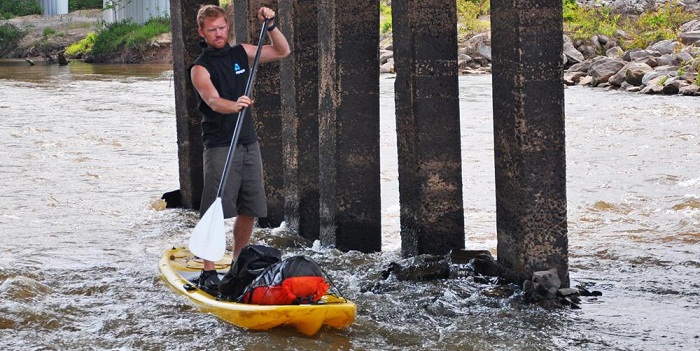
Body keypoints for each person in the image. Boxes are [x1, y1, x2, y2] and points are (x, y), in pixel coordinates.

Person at [189, 4, 290, 292]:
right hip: (221, 143)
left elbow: (282, 51)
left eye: (222, 28)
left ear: (227, 27)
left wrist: (271, 27)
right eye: (212, 30)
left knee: (250, 206)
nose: (218, 34)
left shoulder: (241, 52)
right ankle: (208, 269)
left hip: (247, 141)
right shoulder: (200, 67)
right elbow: (212, 101)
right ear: (202, 32)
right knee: (215, 206)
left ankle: (237, 264)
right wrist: (234, 106)